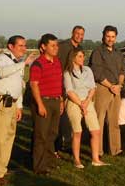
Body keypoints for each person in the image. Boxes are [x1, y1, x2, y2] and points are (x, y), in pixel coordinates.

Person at [0, 35, 37, 184]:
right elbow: (2, 72)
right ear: (10, 46)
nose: (24, 49)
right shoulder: (1, 58)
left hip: (11, 104)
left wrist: (19, 106)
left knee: (8, 137)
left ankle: (1, 169)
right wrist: (24, 64)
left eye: (25, 46)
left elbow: (19, 86)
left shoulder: (17, 62)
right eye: (20, 45)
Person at [63, 48, 107, 168]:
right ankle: (76, 160)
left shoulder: (88, 70)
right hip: (74, 102)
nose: (83, 58)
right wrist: (80, 104)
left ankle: (95, 159)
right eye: (80, 56)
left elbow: (93, 87)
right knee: (77, 131)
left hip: (88, 102)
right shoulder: (67, 72)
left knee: (95, 130)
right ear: (73, 58)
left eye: (83, 56)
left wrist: (87, 101)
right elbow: (69, 91)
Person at [29, 33, 64, 174]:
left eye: (57, 45)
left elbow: (59, 83)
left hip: (55, 100)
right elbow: (33, 85)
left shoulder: (57, 62)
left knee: (52, 134)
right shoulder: (38, 63)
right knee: (41, 135)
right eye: (53, 45)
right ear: (43, 47)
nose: (56, 48)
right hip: (44, 101)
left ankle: (49, 161)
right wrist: (40, 104)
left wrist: (61, 100)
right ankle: (39, 166)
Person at [88, 25, 125, 156]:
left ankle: (115, 149)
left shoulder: (118, 53)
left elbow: (122, 71)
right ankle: (97, 150)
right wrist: (110, 86)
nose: (110, 39)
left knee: (114, 120)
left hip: (116, 89)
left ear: (116, 38)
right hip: (103, 87)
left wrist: (119, 85)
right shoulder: (97, 52)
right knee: (99, 120)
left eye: (113, 37)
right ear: (103, 36)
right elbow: (97, 72)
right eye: (108, 36)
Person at [55, 25, 85, 155]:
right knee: (59, 116)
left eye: (82, 34)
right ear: (72, 33)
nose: (79, 36)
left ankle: (66, 143)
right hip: (61, 84)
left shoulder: (80, 49)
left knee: (68, 117)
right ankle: (55, 147)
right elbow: (58, 65)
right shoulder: (63, 46)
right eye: (77, 33)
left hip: (74, 86)